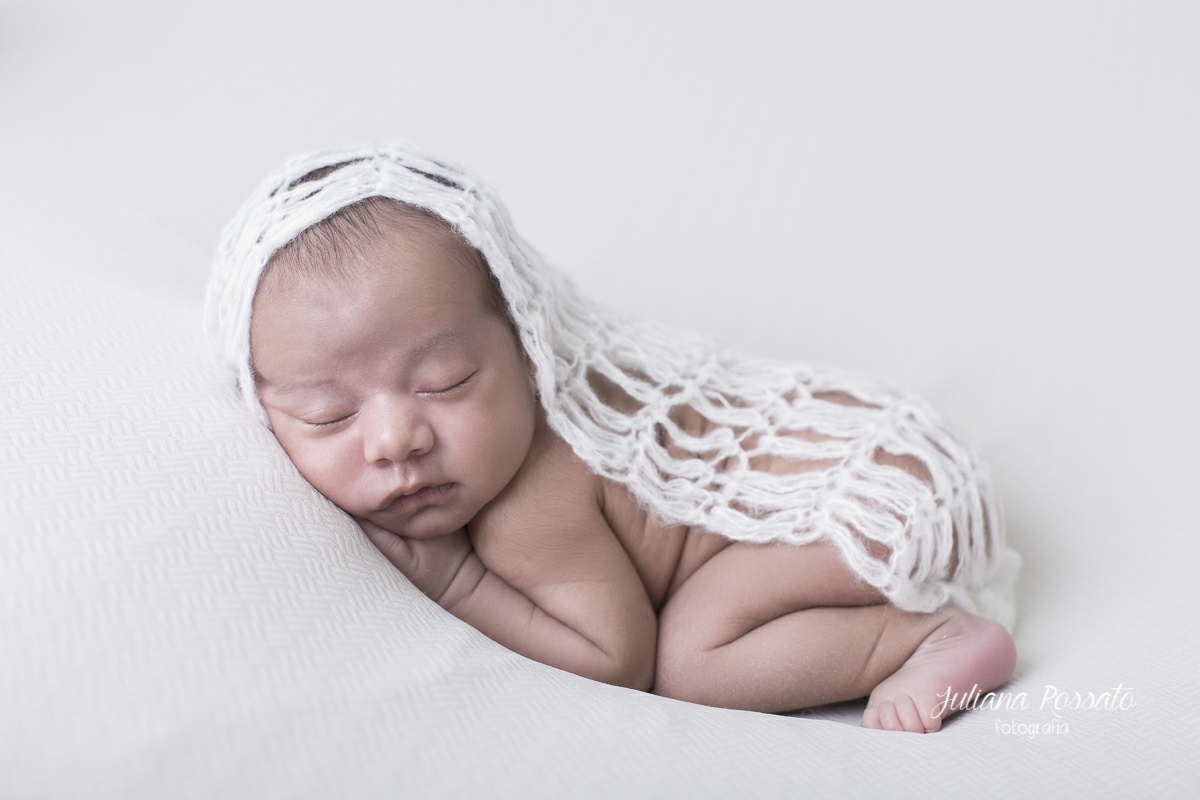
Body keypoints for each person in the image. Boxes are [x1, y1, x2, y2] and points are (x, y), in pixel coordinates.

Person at [206, 141, 1020, 733]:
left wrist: (455, 585)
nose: (394, 438)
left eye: (446, 380)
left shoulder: (527, 504)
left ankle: (926, 636)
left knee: (691, 662)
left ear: (529, 353)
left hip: (859, 501)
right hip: (889, 453)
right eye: (327, 416)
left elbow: (614, 659)